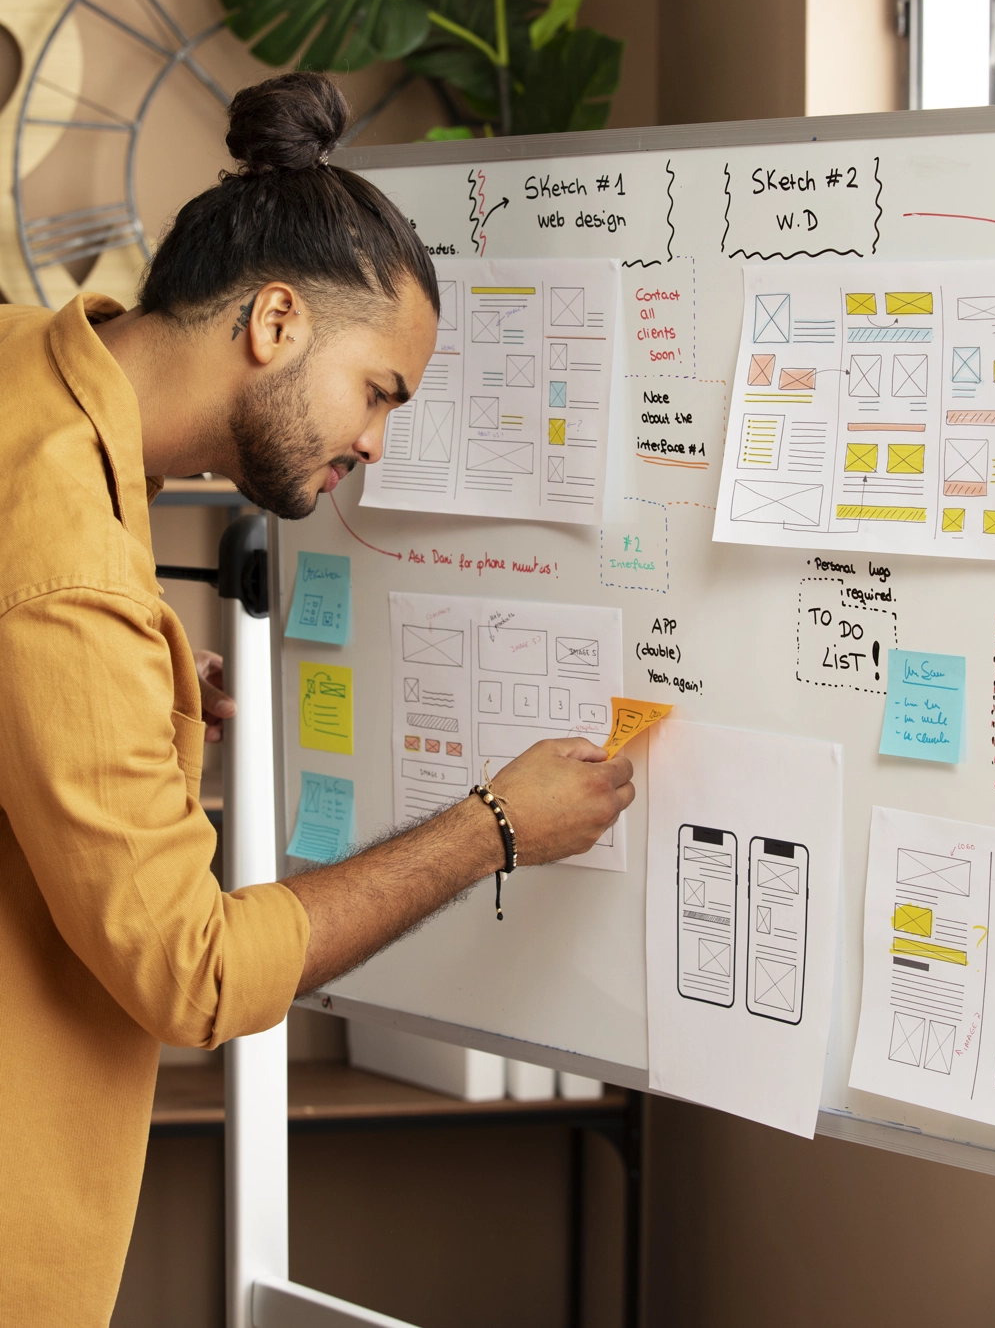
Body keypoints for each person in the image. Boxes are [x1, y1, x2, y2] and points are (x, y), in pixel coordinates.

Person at [0, 71, 634, 1326]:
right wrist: (491, 829)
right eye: (379, 391)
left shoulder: (25, 362)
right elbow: (193, 974)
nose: (376, 444)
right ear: (276, 320)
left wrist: (140, 690)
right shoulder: (70, 573)